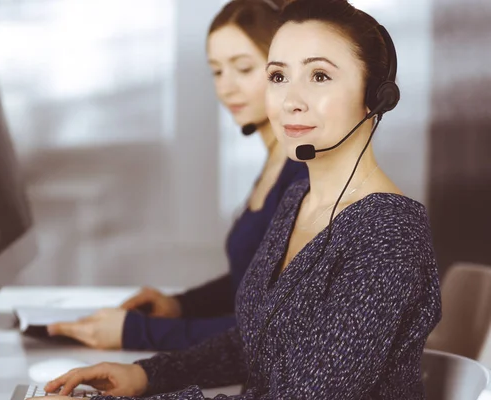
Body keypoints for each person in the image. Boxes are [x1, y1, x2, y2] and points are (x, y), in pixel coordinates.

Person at [32, 0, 442, 398]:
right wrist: (144, 375)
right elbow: (255, 340)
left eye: (319, 76)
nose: (290, 100)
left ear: (376, 96)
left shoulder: (388, 236)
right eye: (279, 77)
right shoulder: (301, 196)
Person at [46, 0, 307, 352]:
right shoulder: (276, 162)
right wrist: (181, 306)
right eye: (217, 71)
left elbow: (273, 328)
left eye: (243, 69)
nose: (226, 87)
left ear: (282, 72)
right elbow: (252, 283)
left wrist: (136, 333)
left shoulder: (303, 177)